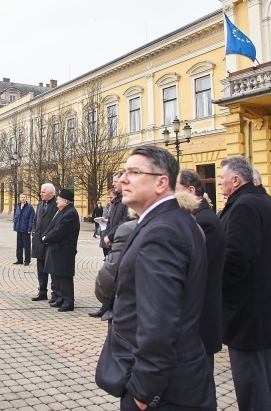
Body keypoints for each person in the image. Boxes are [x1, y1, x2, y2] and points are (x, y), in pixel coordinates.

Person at [95, 146, 215, 410]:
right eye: (124, 172)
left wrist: (143, 392)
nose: (123, 179)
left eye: (134, 172)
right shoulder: (172, 221)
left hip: (163, 392)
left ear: (162, 182)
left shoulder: (163, 231)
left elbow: (160, 321)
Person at [218, 156, 271, 411]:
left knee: (251, 380)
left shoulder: (244, 205)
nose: (221, 184)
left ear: (236, 180)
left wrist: (217, 285)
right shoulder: (263, 201)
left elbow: (237, 257)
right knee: (264, 375)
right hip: (261, 303)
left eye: (223, 179)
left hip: (247, 307)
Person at [176, 169, 227, 377]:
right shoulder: (195, 217)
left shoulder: (204, 221)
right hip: (195, 313)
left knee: (200, 375)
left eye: (175, 189)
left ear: (191, 190)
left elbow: (197, 266)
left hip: (202, 313)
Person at [90, 172, 128, 318]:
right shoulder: (117, 201)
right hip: (112, 241)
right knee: (109, 274)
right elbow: (113, 221)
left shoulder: (125, 200)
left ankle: (111, 307)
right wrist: (107, 233)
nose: (113, 183)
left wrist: (112, 235)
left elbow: (125, 220)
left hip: (119, 242)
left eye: (116, 181)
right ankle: (106, 306)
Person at [41, 188, 80, 312]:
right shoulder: (62, 211)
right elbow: (52, 226)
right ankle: (61, 299)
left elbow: (59, 231)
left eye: (59, 199)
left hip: (65, 250)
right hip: (58, 250)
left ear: (66, 201)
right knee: (58, 276)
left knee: (65, 277)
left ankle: (68, 302)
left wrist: (47, 238)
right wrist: (45, 235)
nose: (57, 201)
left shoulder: (70, 213)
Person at [30, 183, 58, 303]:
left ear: (51, 194)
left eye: (43, 192)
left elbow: (57, 224)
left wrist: (49, 236)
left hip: (50, 242)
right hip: (39, 242)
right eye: (41, 191)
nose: (41, 193)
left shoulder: (57, 205)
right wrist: (34, 230)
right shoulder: (40, 204)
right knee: (40, 269)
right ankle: (42, 291)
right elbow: (36, 220)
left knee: (52, 269)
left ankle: (55, 293)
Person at [12, 193, 35, 266]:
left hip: (26, 230)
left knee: (26, 246)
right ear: (19, 198)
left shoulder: (29, 207)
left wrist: (30, 228)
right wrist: (15, 226)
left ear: (26, 198)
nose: (23, 198)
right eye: (21, 197)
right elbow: (16, 217)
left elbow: (31, 219)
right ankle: (19, 259)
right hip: (19, 229)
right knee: (19, 245)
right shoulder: (18, 206)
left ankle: (27, 260)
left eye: (24, 197)